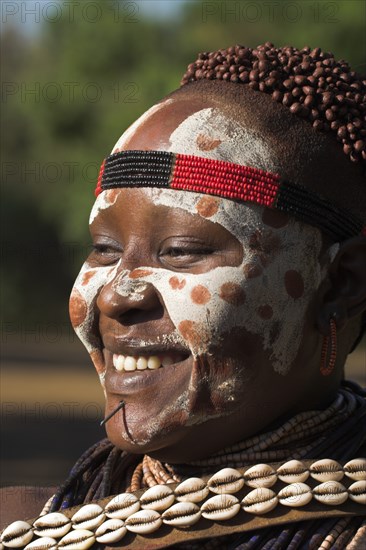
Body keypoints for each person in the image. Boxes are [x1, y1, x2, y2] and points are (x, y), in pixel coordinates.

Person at [1, 43, 365, 549]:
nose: (114, 296)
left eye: (179, 250)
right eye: (104, 250)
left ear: (343, 283)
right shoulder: (22, 523)